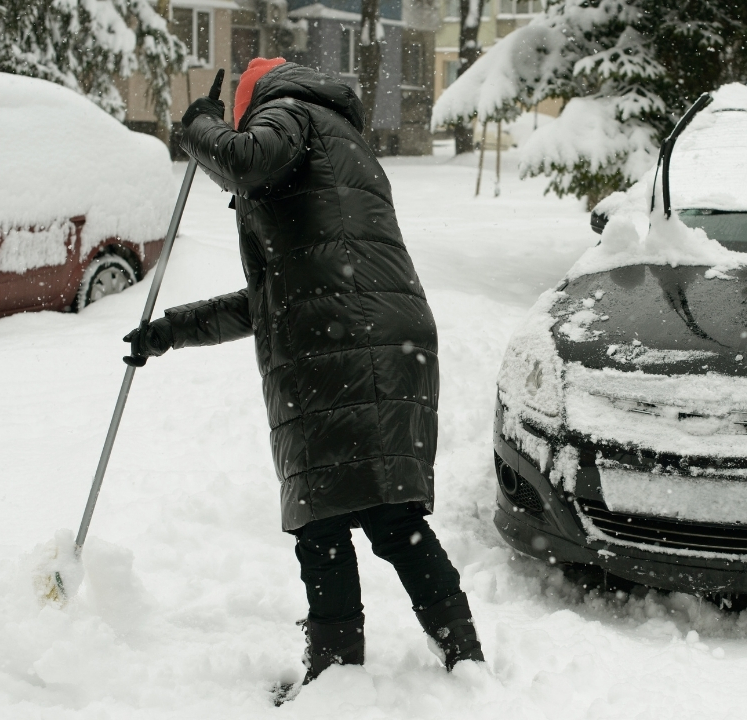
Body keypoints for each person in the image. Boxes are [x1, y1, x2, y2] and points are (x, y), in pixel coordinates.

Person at [123, 58, 484, 683]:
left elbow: (244, 157)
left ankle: (337, 675)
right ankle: (463, 657)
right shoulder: (335, 139)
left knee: (325, 522)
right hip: (375, 335)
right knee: (391, 517)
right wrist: (169, 331)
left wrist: (199, 129)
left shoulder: (289, 113)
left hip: (341, 342)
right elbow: (273, 301)